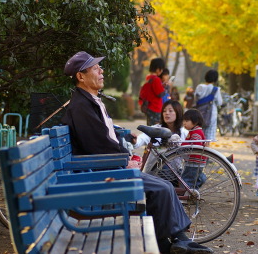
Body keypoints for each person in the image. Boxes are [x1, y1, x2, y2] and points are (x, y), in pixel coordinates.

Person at [61, 51, 212, 254]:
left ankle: (175, 241)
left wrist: (120, 136)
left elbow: (103, 134)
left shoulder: (90, 101)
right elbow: (97, 145)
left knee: (164, 186)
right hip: (99, 173)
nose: (101, 71)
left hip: (104, 167)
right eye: (96, 68)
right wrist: (125, 158)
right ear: (81, 76)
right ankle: (173, 242)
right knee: (162, 189)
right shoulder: (81, 106)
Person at [182, 109, 207, 189]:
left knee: (187, 181)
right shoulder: (195, 131)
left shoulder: (196, 133)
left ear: (195, 121)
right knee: (195, 178)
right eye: (184, 121)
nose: (184, 123)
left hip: (194, 162)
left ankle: (186, 196)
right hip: (197, 162)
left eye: (187, 120)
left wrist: (183, 146)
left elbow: (196, 147)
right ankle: (200, 181)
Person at [194, 70, 222, 141]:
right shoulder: (216, 89)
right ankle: (205, 151)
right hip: (211, 116)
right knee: (208, 139)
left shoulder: (199, 87)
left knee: (198, 135)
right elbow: (219, 102)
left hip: (199, 114)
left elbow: (196, 99)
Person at [139, 58, 166, 126]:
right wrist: (166, 87)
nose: (162, 71)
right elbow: (160, 94)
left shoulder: (149, 78)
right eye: (161, 69)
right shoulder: (156, 79)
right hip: (155, 108)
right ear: (157, 69)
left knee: (150, 127)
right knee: (156, 129)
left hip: (149, 107)